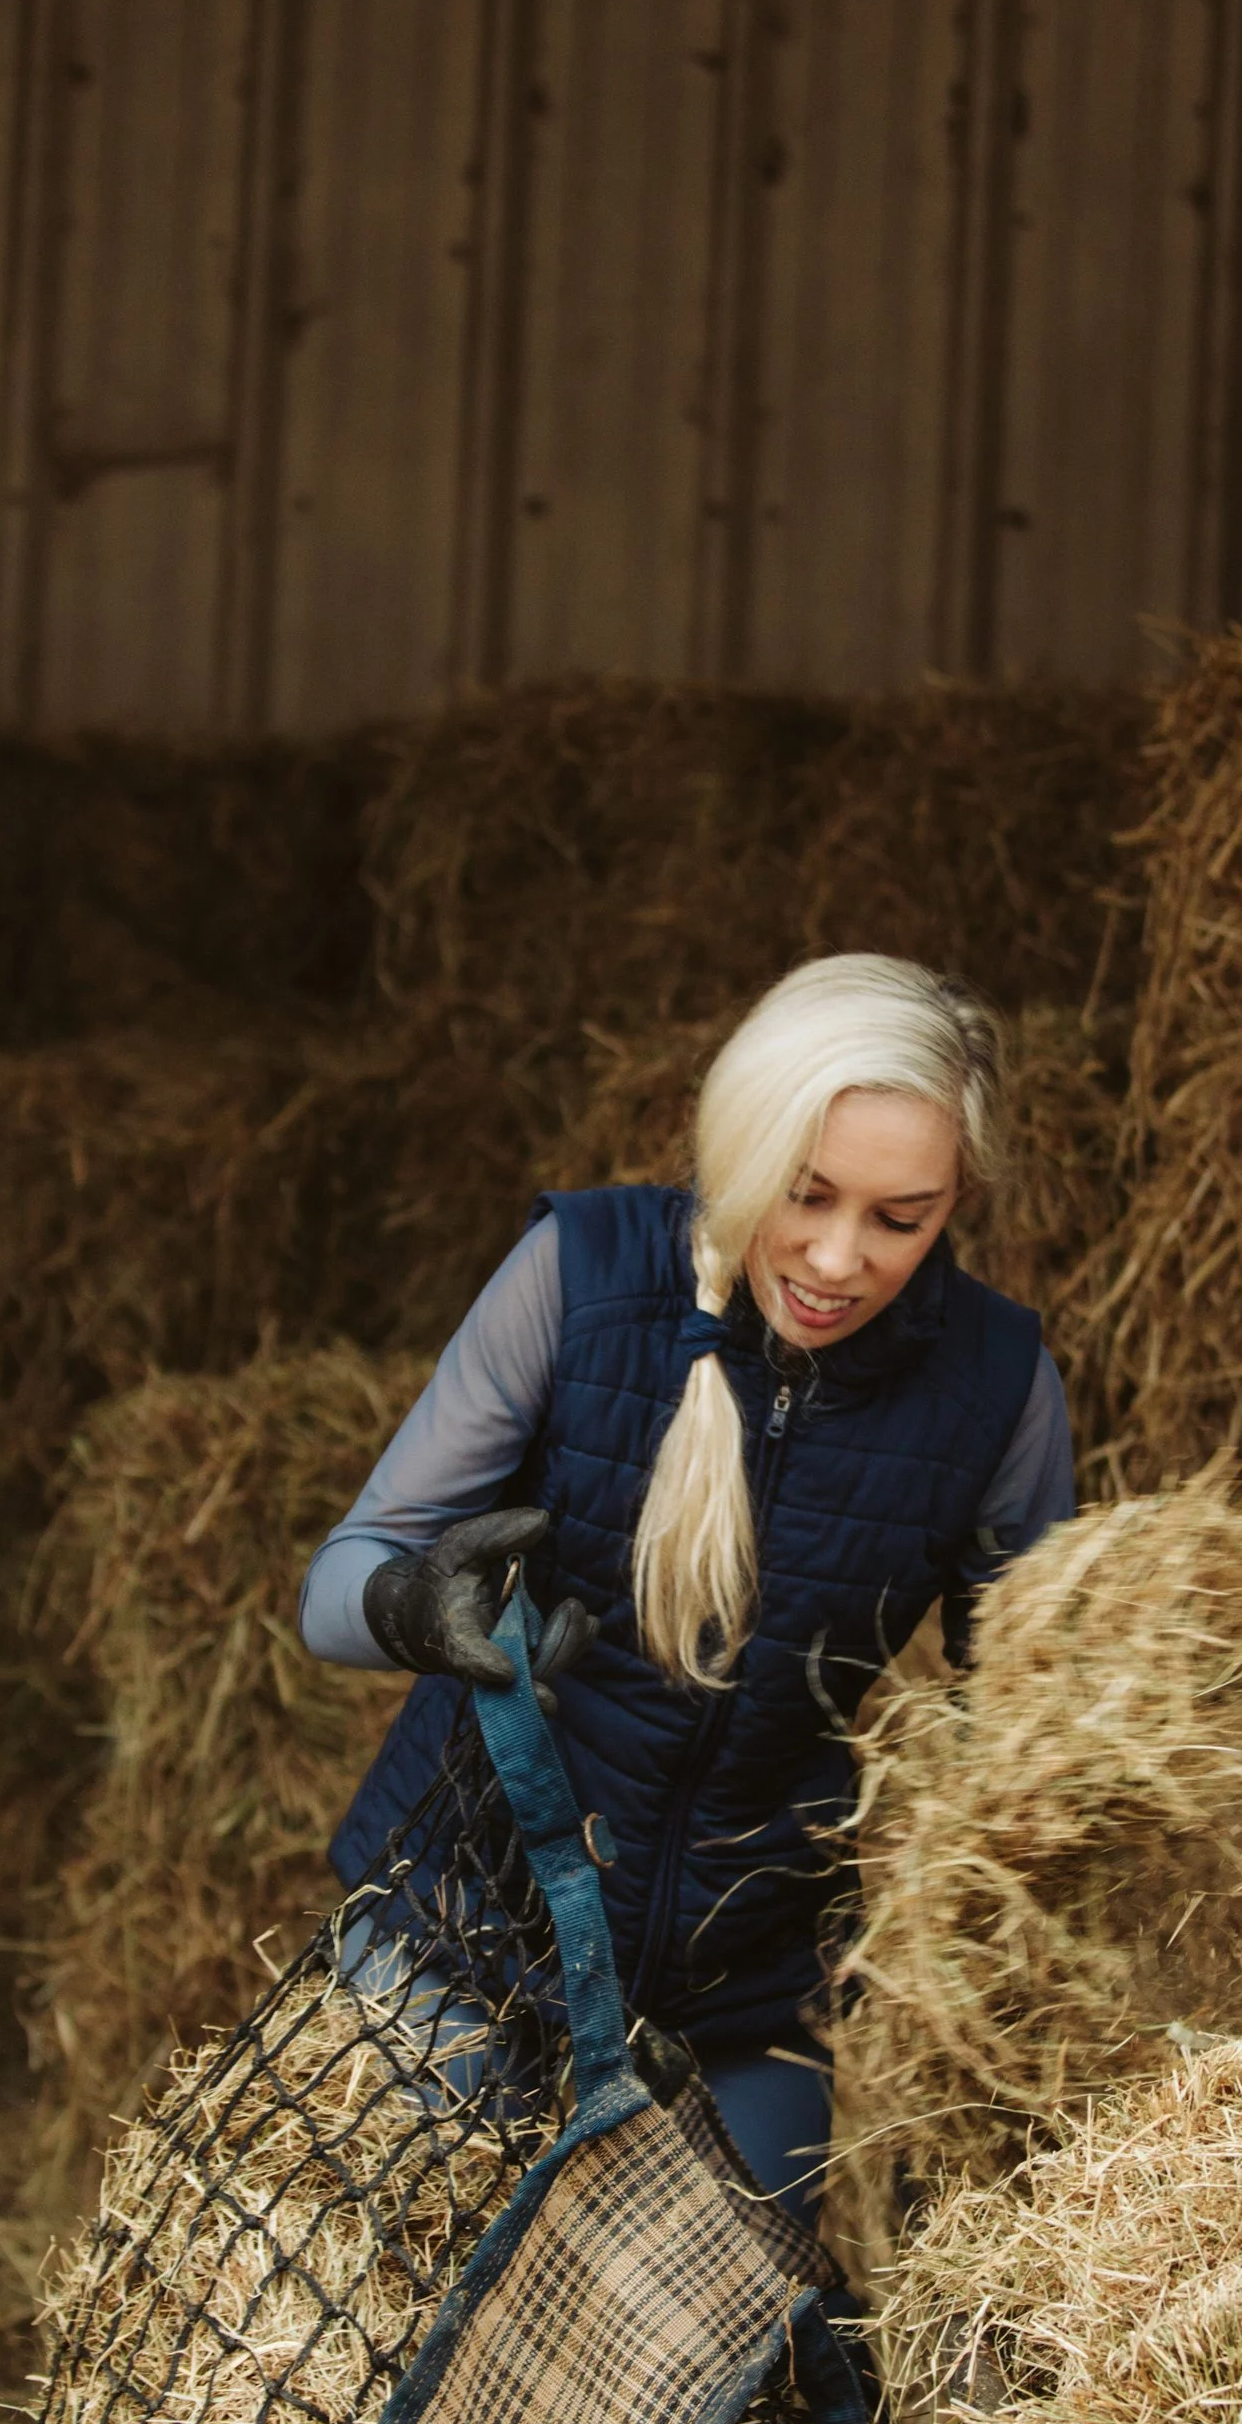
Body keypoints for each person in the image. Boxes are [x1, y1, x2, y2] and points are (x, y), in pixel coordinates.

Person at [300, 953, 1075, 2224]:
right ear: (744, 1141)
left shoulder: (997, 1386)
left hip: (745, 1996)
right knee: (409, 2351)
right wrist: (418, 1609)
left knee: (708, 2389)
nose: (837, 1259)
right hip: (463, 1941)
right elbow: (337, 1585)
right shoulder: (581, 1274)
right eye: (805, 1194)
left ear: (953, 1204)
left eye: (900, 1218)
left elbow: (1039, 1723)